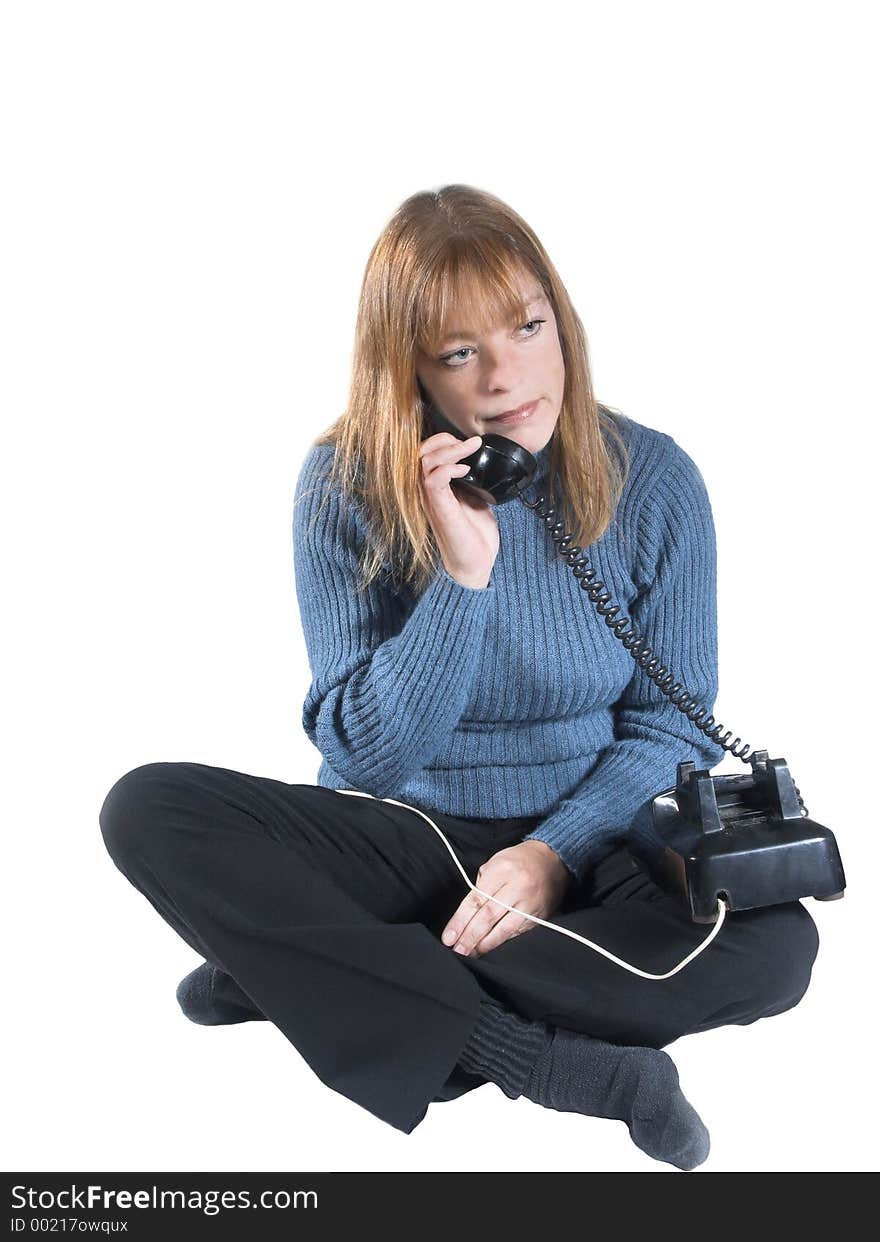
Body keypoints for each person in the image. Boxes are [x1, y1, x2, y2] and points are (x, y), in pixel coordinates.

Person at [98, 184, 820, 1172]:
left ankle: (310, 977)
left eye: (525, 327)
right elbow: (362, 753)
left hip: (590, 841)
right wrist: (461, 574)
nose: (506, 375)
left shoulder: (652, 479)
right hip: (413, 832)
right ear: (411, 372)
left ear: (560, 320)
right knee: (146, 810)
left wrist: (550, 855)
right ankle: (541, 1061)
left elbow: (672, 724)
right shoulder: (341, 485)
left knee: (776, 950)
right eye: (457, 351)